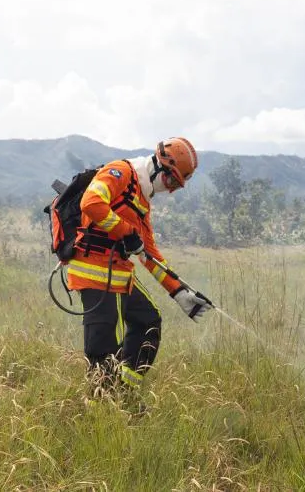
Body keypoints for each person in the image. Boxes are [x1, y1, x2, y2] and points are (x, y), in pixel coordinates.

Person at [66, 136, 213, 395]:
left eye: (177, 186)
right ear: (158, 164)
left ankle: (124, 393)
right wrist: (125, 231)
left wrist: (180, 293)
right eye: (170, 180)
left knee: (148, 323)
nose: (170, 189)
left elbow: (148, 254)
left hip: (118, 275)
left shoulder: (142, 200)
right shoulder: (121, 172)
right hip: (93, 271)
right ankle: (99, 408)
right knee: (102, 347)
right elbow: (90, 202)